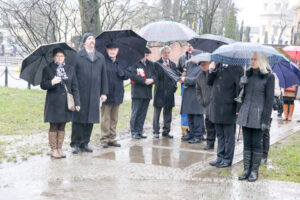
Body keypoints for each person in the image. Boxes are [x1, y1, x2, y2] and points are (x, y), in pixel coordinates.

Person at [237, 52, 274, 182]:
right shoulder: (247, 74)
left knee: (256, 144)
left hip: (259, 114)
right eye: (251, 59)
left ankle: (254, 171)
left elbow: (269, 101)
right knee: (246, 143)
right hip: (246, 112)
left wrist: (265, 120)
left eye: (255, 59)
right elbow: (241, 96)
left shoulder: (269, 77)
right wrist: (242, 84)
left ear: (261, 61)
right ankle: (246, 170)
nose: (252, 61)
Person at [71, 33, 108, 154]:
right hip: (80, 92)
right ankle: (75, 143)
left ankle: (85, 143)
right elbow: (73, 75)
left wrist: (104, 92)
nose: (92, 41)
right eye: (89, 39)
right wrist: (73, 91)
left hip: (95, 93)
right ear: (84, 42)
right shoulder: (77, 56)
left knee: (90, 119)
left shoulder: (100, 57)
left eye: (93, 39)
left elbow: (104, 76)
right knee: (78, 119)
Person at [40, 48, 80, 158]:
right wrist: (52, 82)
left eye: (61, 56)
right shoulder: (48, 69)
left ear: (65, 57)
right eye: (57, 56)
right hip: (53, 102)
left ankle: (59, 148)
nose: (59, 58)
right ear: (53, 57)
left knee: (62, 125)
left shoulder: (70, 69)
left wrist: (77, 102)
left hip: (66, 103)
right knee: (54, 125)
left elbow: (74, 86)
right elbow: (43, 85)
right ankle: (53, 149)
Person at [208, 62, 243, 168]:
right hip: (216, 106)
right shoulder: (218, 66)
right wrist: (211, 71)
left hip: (229, 107)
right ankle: (220, 157)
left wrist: (238, 108)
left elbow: (240, 89)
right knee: (220, 134)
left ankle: (227, 159)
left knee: (228, 136)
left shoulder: (237, 68)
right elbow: (209, 82)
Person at [100, 42, 130, 148]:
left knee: (114, 118)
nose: (112, 51)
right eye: (110, 49)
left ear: (117, 51)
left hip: (118, 93)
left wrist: (123, 73)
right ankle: (104, 138)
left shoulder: (121, 62)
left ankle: (112, 138)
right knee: (105, 117)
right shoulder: (103, 61)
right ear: (107, 50)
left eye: (114, 49)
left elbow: (128, 74)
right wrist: (102, 92)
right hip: (106, 93)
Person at [129, 47, 155, 139]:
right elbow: (132, 76)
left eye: (147, 55)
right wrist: (144, 80)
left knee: (143, 113)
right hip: (137, 92)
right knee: (136, 112)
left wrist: (152, 79)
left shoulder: (151, 64)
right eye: (144, 55)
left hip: (147, 93)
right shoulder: (134, 63)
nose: (145, 57)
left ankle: (139, 131)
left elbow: (155, 74)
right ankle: (134, 131)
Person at [153, 46, 178, 139]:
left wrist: (174, 88)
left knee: (168, 114)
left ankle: (166, 131)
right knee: (157, 113)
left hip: (169, 93)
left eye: (168, 53)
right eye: (165, 53)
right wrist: (162, 67)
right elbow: (155, 77)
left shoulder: (173, 64)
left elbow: (175, 77)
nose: (166, 54)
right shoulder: (156, 64)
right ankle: (156, 131)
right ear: (161, 54)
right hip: (159, 92)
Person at [179, 50, 204, 143]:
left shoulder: (202, 66)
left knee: (197, 116)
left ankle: (198, 136)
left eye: (193, 56)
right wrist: (183, 77)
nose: (191, 57)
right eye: (190, 55)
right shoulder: (189, 65)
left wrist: (185, 79)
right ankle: (192, 134)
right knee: (190, 115)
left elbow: (198, 80)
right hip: (188, 93)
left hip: (197, 95)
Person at [196, 54, 216, 150]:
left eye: (204, 64)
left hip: (215, 104)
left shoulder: (214, 73)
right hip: (206, 105)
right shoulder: (199, 76)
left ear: (209, 63)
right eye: (201, 64)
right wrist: (201, 101)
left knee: (216, 125)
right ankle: (210, 143)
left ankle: (219, 144)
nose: (203, 66)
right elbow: (198, 90)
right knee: (208, 125)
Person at [261, 73, 281, 164]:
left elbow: (277, 92)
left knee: (265, 132)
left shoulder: (272, 75)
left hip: (267, 109)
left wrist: (268, 89)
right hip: (256, 109)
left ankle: (264, 155)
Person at [177, 44, 193, 138]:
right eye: (188, 45)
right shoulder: (182, 58)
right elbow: (177, 70)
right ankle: (185, 130)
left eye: (191, 46)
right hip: (185, 86)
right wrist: (182, 75)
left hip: (194, 86)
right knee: (185, 108)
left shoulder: (198, 58)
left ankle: (194, 130)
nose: (190, 47)